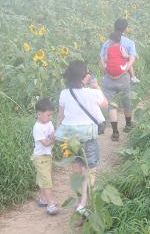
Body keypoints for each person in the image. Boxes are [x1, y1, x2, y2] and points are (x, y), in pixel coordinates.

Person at [56, 60, 108, 217]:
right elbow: (105, 104)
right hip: (88, 136)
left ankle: (80, 198)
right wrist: (96, 85)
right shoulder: (92, 92)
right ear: (83, 76)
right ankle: (83, 204)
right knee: (91, 169)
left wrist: (59, 133)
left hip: (70, 137)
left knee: (77, 168)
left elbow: (60, 116)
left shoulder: (64, 93)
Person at [32, 97, 57, 215]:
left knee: (44, 178)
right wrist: (56, 137)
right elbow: (46, 142)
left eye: (51, 115)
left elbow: (51, 135)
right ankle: (50, 204)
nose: (50, 117)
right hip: (40, 157)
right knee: (47, 181)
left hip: (47, 156)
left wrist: (54, 136)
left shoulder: (49, 123)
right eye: (48, 115)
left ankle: (43, 199)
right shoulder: (37, 128)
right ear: (38, 114)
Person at [100, 18, 139, 84]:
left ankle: (104, 77)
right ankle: (133, 77)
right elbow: (132, 59)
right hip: (123, 68)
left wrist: (107, 71)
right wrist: (122, 71)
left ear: (114, 27)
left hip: (110, 68)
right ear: (126, 29)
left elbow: (102, 59)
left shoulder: (107, 43)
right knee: (127, 60)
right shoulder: (130, 43)